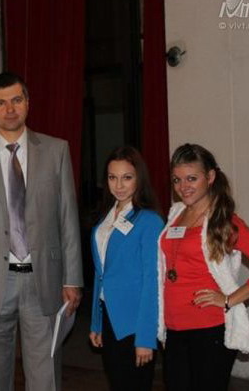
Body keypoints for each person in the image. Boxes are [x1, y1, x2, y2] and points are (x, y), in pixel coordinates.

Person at [0, 71, 83, 391]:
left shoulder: (56, 151)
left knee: (45, 376)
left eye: (16, 100)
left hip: (45, 280)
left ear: (27, 103)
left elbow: (68, 219)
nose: (10, 109)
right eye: (1, 102)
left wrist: (72, 278)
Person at [158, 143, 249, 390]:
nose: (183, 187)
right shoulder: (175, 214)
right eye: (177, 180)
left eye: (191, 178)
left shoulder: (224, 221)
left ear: (210, 177)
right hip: (174, 327)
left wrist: (230, 299)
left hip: (209, 329)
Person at [88, 146, 164, 390]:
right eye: (113, 177)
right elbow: (101, 274)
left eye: (127, 177)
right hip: (109, 318)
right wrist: (96, 322)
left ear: (139, 179)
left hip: (135, 322)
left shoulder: (149, 221)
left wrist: (146, 337)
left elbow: (152, 282)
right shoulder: (106, 218)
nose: (119, 185)